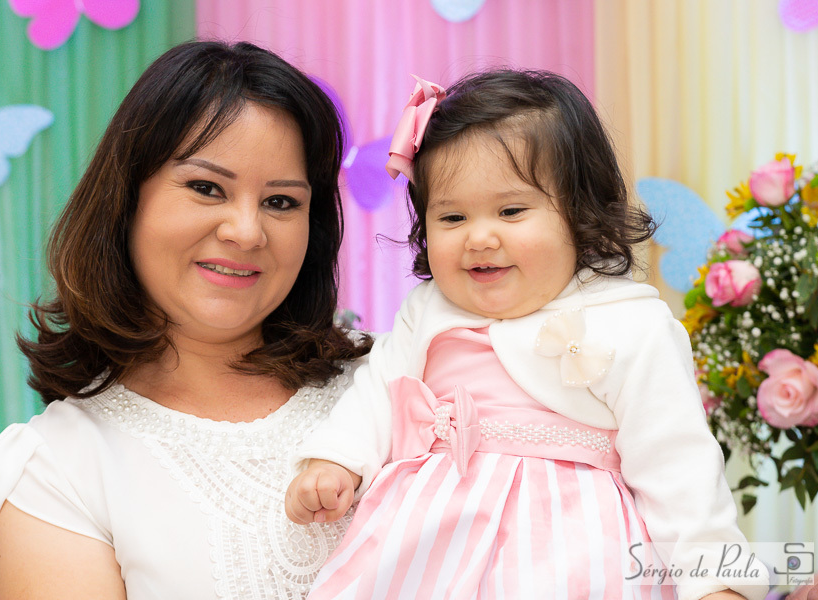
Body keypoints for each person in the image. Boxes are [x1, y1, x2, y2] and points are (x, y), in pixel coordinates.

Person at [285, 70, 770, 599]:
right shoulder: (429, 309)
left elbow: (679, 464)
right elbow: (377, 393)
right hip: (427, 544)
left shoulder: (630, 321)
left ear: (582, 214)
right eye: (451, 217)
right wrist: (334, 458)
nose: (479, 237)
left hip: (574, 549)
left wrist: (716, 581)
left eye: (511, 211)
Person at [0, 40, 371, 600]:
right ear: (126, 201)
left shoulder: (393, 382)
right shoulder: (58, 468)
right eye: (207, 188)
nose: (246, 232)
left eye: (281, 202)